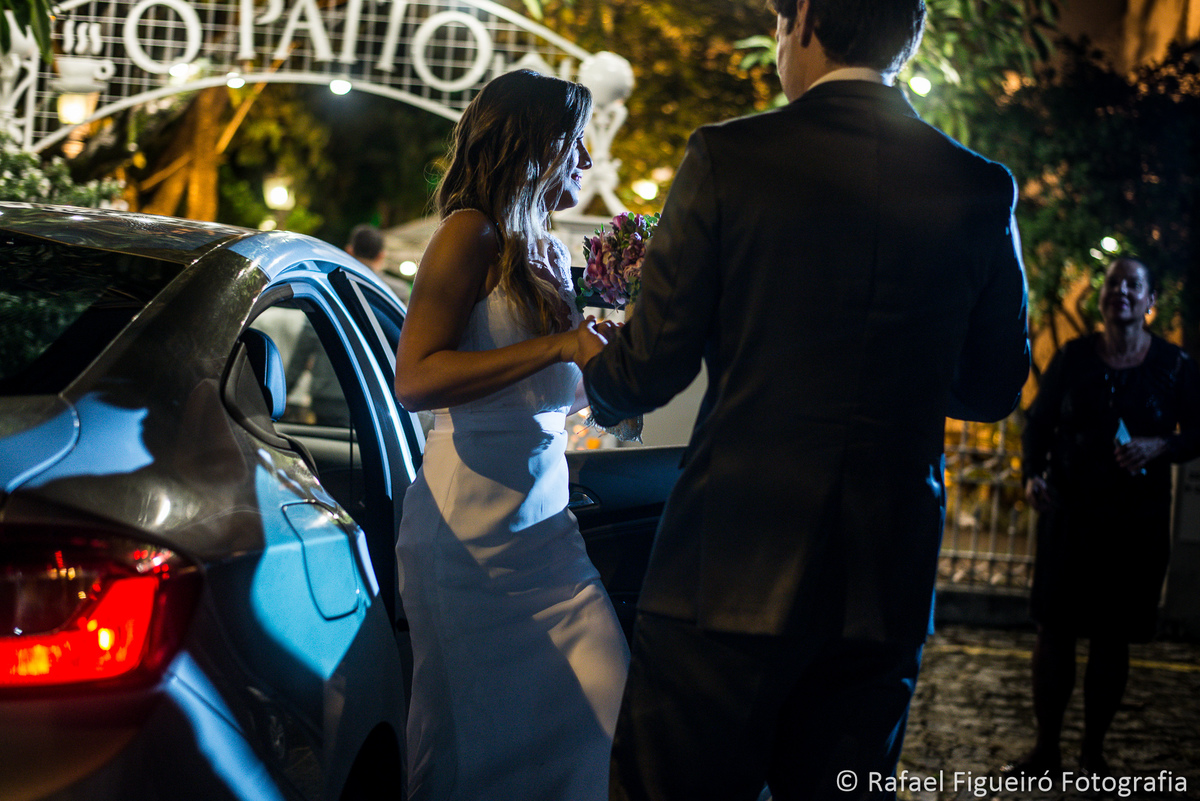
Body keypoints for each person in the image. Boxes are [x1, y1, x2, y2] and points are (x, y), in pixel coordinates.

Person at [573, 1, 1031, 798]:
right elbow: (994, 384)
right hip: (884, 578)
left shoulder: (730, 157)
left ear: (807, 20)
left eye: (782, 24)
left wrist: (594, 369)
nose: (780, 45)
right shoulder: (981, 187)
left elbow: (650, 369)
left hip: (728, 569)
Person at [391, 69, 629, 801]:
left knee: (616, 713)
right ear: (533, 147)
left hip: (548, 537)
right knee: (475, 750)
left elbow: (559, 391)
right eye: (576, 143)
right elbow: (417, 379)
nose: (588, 162)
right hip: (468, 541)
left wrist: (621, 350)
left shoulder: (549, 253)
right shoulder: (471, 234)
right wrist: (558, 346)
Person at [1012, 257, 1200, 778]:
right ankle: (1045, 748)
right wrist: (1032, 475)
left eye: (1132, 285)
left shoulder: (1174, 365)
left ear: (1150, 301)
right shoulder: (1073, 357)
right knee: (1054, 630)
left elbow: (1195, 433)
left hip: (1133, 523)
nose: (1120, 291)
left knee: (1112, 636)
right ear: (1101, 298)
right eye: (1112, 283)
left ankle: (1093, 749)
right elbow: (1039, 423)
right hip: (1070, 512)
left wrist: (1159, 443)